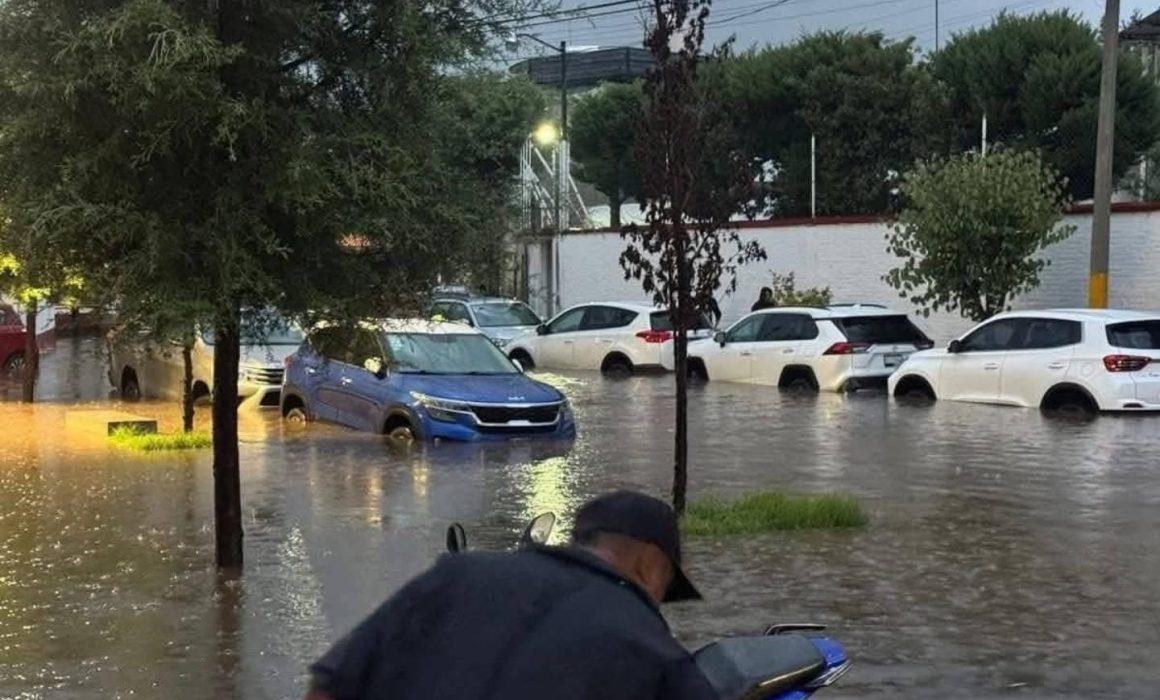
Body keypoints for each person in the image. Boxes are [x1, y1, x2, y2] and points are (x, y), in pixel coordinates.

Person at [305, 491, 716, 700]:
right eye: (665, 589)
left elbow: (331, 686)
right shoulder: (658, 657)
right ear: (649, 565)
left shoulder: (457, 574)